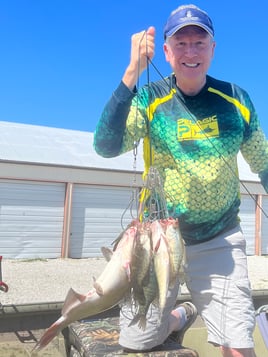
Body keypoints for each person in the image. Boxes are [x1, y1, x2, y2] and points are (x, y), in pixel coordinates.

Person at [93, 4, 268, 357]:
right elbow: (106, 146)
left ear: (213, 49)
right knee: (137, 342)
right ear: (168, 52)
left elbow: (264, 163)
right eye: (181, 43)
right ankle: (179, 316)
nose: (191, 52)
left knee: (238, 348)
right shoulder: (150, 98)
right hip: (158, 241)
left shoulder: (237, 100)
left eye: (199, 42)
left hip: (219, 236)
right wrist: (132, 71)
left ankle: (197, 314)